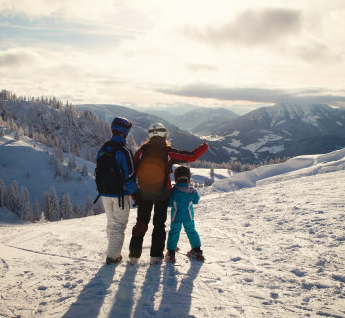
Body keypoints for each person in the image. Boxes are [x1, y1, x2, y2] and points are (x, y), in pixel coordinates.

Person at [128, 123, 208, 265]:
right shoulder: (168, 151)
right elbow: (191, 157)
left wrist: (135, 193)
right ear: (165, 135)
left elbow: (133, 173)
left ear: (150, 135)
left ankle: (134, 256)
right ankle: (156, 256)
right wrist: (204, 147)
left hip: (144, 193)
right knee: (159, 225)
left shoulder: (141, 151)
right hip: (162, 194)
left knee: (141, 222)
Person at [96, 117, 138, 265]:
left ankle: (112, 251)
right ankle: (113, 256)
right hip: (120, 194)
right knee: (119, 225)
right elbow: (130, 176)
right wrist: (135, 194)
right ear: (124, 132)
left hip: (105, 193)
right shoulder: (124, 151)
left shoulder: (103, 148)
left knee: (111, 223)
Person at [166, 165, 205, 263]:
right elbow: (196, 201)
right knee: (191, 231)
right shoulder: (192, 190)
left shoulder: (173, 191)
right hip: (189, 217)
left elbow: (169, 203)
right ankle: (197, 251)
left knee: (174, 232)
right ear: (188, 178)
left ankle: (171, 253)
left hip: (176, 217)